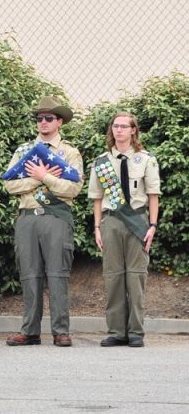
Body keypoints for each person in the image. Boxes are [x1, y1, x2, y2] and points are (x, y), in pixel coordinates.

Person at [4, 97, 84, 347]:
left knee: (57, 274)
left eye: (49, 118)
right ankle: (30, 330)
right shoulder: (24, 151)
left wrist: (43, 176)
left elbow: (74, 188)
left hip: (56, 217)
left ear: (59, 121)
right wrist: (40, 178)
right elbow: (9, 184)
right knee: (29, 274)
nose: (43, 122)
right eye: (39, 118)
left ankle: (61, 330)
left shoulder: (69, 152)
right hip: (28, 217)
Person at [89, 112, 160, 348]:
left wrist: (152, 225)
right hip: (110, 222)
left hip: (137, 221)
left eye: (124, 126)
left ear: (133, 130)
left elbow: (153, 195)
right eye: (115, 126)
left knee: (136, 277)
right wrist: (97, 227)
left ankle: (136, 331)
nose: (119, 130)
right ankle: (117, 331)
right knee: (113, 277)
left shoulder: (146, 159)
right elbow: (97, 198)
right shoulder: (101, 162)